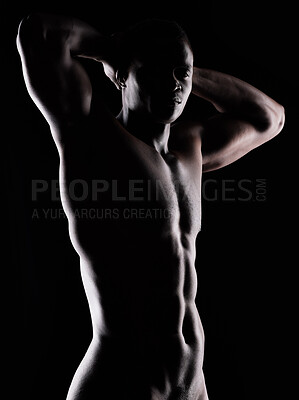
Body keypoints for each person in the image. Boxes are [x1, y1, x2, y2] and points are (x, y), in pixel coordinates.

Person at [16, 13, 285, 400]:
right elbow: (38, 33)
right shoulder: (90, 134)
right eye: (157, 70)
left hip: (191, 386)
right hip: (121, 383)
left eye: (180, 73)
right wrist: (114, 53)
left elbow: (271, 118)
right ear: (123, 75)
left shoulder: (191, 146)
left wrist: (188, 74)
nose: (172, 83)